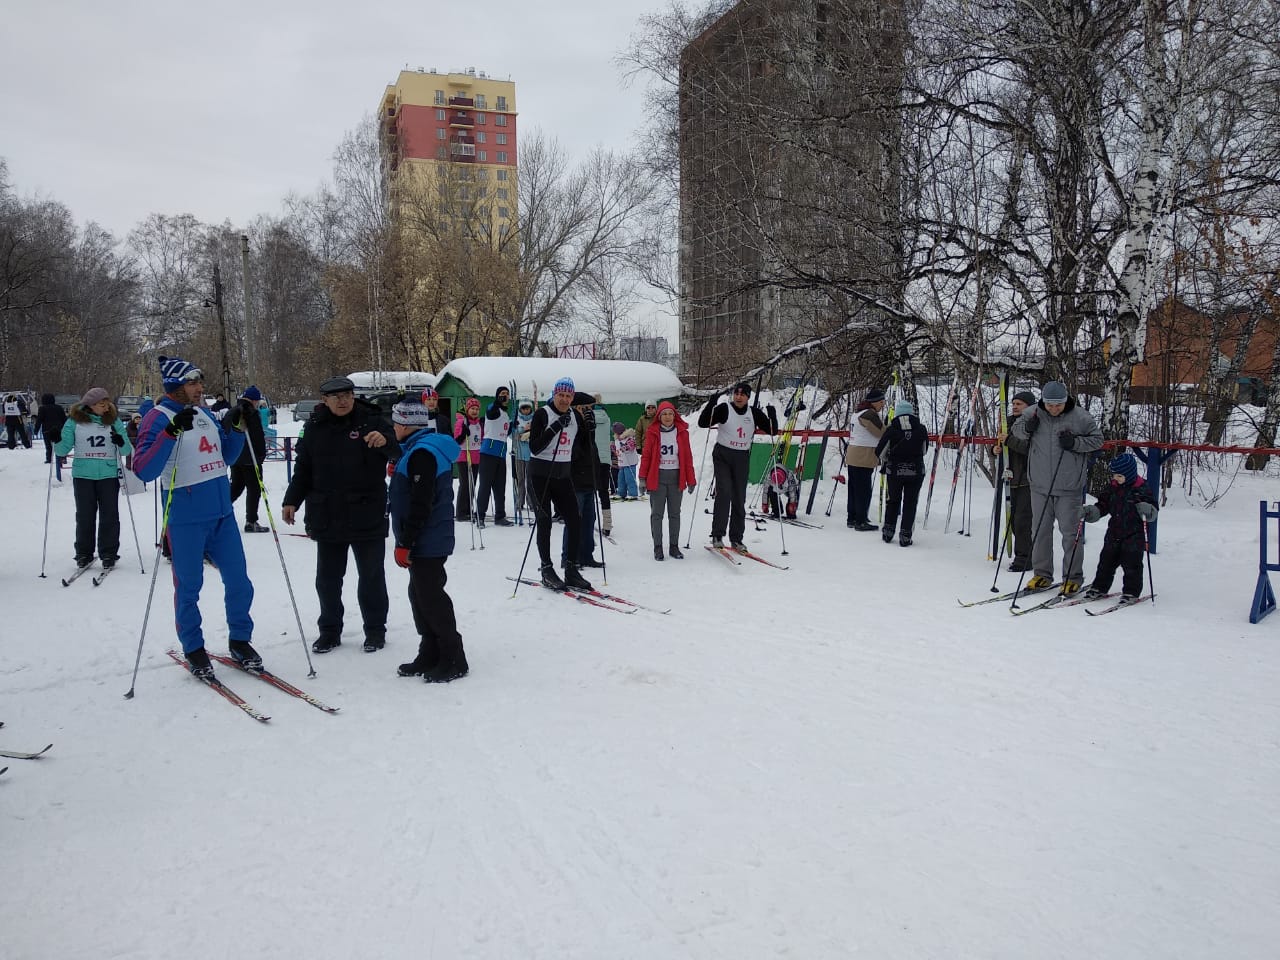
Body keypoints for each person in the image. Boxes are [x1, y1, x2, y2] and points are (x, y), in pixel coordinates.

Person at [132, 355, 260, 679]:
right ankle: (193, 647)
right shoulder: (157, 418)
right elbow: (143, 469)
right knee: (189, 587)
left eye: (199, 382)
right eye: (193, 383)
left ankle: (240, 640)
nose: (200, 388)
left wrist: (235, 427)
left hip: (221, 515)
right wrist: (170, 433)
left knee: (240, 583)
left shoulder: (203, 413)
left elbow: (225, 457)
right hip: (185, 519)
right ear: (176, 386)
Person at [281, 376, 400, 654]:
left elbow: (397, 451)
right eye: (337, 397)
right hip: (327, 512)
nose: (343, 400)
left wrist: (385, 441)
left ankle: (375, 631)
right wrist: (292, 500)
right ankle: (329, 631)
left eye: (347, 395)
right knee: (328, 578)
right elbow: (304, 469)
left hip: (366, 510)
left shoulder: (372, 420)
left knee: (371, 576)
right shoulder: (314, 427)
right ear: (325, 400)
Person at [388, 399, 469, 682]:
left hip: (428, 539)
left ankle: (453, 656)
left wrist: (405, 542)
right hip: (424, 538)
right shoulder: (416, 450)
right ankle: (430, 649)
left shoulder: (422, 453)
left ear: (406, 424)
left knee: (431, 597)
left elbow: (421, 504)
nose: (393, 427)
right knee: (419, 594)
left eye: (396, 422)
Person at [1010, 379, 1103, 593]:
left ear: (1065, 401)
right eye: (1050, 405)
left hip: (1069, 486)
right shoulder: (1033, 413)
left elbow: (1097, 440)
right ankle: (1042, 574)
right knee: (1040, 531)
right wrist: (1028, 428)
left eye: (1058, 405)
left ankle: (1073, 577)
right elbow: (1017, 432)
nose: (1053, 409)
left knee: (1070, 533)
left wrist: (1076, 443)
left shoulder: (1080, 416)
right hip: (1039, 484)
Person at [527, 377, 595, 591]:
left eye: (568, 396)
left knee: (575, 519)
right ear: (554, 395)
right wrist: (556, 426)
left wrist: (590, 429)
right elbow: (535, 447)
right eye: (561, 395)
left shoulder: (575, 415)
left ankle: (571, 569)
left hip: (563, 476)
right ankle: (547, 568)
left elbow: (584, 447)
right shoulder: (542, 414)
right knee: (545, 521)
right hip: (540, 475)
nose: (565, 400)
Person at [55, 388, 133, 568]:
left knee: (110, 516)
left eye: (107, 404)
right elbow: (62, 450)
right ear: (90, 405)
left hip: (108, 474)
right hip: (83, 475)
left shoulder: (113, 421)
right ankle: (83, 553)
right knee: (84, 516)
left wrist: (121, 442)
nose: (105, 408)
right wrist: (55, 439)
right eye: (101, 404)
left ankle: (109, 552)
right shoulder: (74, 421)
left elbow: (127, 450)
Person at [697, 382, 777, 551]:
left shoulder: (753, 413)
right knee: (724, 492)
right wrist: (711, 404)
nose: (739, 397)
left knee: (739, 498)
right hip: (723, 455)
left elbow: (772, 430)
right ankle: (717, 535)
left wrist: (772, 415)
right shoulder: (725, 409)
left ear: (748, 397)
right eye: (736, 393)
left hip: (741, 457)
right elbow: (703, 423)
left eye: (743, 394)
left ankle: (736, 538)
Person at [1081, 452, 1157, 601]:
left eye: (1119, 476)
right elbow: (1103, 504)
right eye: (1114, 475)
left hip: (1134, 534)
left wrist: (1148, 509)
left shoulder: (1141, 488)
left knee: (1132, 565)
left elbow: (1153, 510)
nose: (1116, 479)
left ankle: (1131, 592)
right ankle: (1099, 588)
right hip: (1114, 532)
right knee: (1105, 563)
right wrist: (1093, 512)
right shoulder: (1113, 487)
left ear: (1129, 474)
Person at [640, 400, 696, 560]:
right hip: (657, 478)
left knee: (674, 514)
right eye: (664, 414)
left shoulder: (681, 432)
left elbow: (687, 457)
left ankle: (674, 546)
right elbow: (646, 457)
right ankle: (658, 547)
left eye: (670, 413)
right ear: (659, 416)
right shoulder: (653, 432)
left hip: (676, 478)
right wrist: (642, 478)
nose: (667, 417)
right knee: (657, 514)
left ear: (674, 415)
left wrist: (690, 479)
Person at [873, 400, 930, 547]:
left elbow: (879, 451)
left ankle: (888, 531)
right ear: (911, 413)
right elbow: (924, 450)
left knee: (893, 500)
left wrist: (889, 458)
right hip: (916, 471)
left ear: (897, 414)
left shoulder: (891, 429)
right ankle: (905, 535)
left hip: (895, 471)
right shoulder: (921, 429)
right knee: (910, 503)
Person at [561, 395, 605, 569]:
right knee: (573, 520)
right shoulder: (571, 424)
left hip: (589, 479)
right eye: (587, 408)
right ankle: (568, 557)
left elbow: (591, 449)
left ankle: (586, 555)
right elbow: (574, 452)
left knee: (589, 520)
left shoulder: (588, 425)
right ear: (578, 408)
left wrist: (590, 431)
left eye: (591, 408)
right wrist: (586, 431)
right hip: (575, 479)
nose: (590, 412)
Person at [999, 390, 1036, 570]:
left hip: (1028, 480)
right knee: (1013, 520)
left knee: (1023, 520)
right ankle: (1021, 554)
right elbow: (1003, 447)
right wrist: (996, 450)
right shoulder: (1008, 423)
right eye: (1013, 403)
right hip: (1011, 479)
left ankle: (1025, 559)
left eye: (1019, 404)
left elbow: (1032, 450)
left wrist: (1009, 441)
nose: (1015, 406)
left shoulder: (1034, 424)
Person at [228, 385, 269, 533]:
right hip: (250, 458)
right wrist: (261, 455)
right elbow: (258, 436)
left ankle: (219, 510)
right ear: (254, 400)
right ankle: (251, 521)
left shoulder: (233, 410)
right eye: (257, 401)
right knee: (254, 489)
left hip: (235, 457)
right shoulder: (251, 412)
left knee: (236, 486)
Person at [845, 388, 886, 530]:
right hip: (863, 456)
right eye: (881, 402)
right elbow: (881, 432)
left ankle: (852, 517)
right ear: (875, 402)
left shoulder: (857, 413)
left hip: (853, 454)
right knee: (863, 489)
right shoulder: (870, 414)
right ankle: (861, 520)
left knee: (854, 488)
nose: (883, 405)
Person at [475, 385, 513, 527]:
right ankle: (480, 516)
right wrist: (497, 402)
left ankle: (500, 516)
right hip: (489, 452)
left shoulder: (504, 413)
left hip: (501, 453)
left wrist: (512, 426)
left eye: (507, 394)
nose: (505, 396)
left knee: (500, 487)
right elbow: (491, 413)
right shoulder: (493, 408)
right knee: (485, 486)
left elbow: (504, 432)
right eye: (502, 394)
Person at [453, 397, 483, 522]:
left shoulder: (479, 424)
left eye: (476, 409)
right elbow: (457, 440)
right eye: (472, 409)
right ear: (467, 409)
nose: (474, 411)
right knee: (465, 484)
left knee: (472, 484)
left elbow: (481, 438)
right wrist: (462, 433)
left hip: (476, 456)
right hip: (464, 456)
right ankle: (461, 512)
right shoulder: (462, 422)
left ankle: (468, 509)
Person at [591, 395, 614, 538]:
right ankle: (607, 524)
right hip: (605, 459)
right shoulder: (607, 417)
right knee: (604, 491)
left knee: (589, 491)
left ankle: (589, 519)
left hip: (591, 458)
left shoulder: (588, 418)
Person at [511, 396, 534, 524]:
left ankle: (531, 502)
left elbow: (537, 434)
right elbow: (511, 435)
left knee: (530, 480)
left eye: (527, 408)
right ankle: (520, 502)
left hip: (531, 454)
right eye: (523, 408)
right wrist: (515, 431)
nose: (525, 411)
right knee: (520, 479)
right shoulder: (516, 419)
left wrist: (528, 435)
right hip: (519, 454)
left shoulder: (534, 419)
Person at [35, 393, 67, 468]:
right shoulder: (59, 407)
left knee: (48, 446)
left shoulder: (42, 408)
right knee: (60, 444)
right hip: (59, 429)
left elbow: (39, 420)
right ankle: (62, 458)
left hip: (47, 430)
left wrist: (36, 430)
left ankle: (49, 458)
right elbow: (64, 419)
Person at [634, 400, 658, 496]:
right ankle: (646, 485)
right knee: (646, 467)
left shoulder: (659, 418)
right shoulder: (642, 419)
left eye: (653, 407)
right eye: (648, 407)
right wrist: (638, 446)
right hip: (645, 446)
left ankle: (654, 485)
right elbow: (638, 433)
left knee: (655, 466)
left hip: (657, 447)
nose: (650, 409)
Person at [612, 424, 639, 499]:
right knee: (621, 479)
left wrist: (626, 447)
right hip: (622, 463)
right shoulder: (617, 440)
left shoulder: (629, 438)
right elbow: (616, 448)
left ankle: (633, 493)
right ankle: (621, 493)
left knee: (630, 478)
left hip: (630, 463)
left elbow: (632, 445)